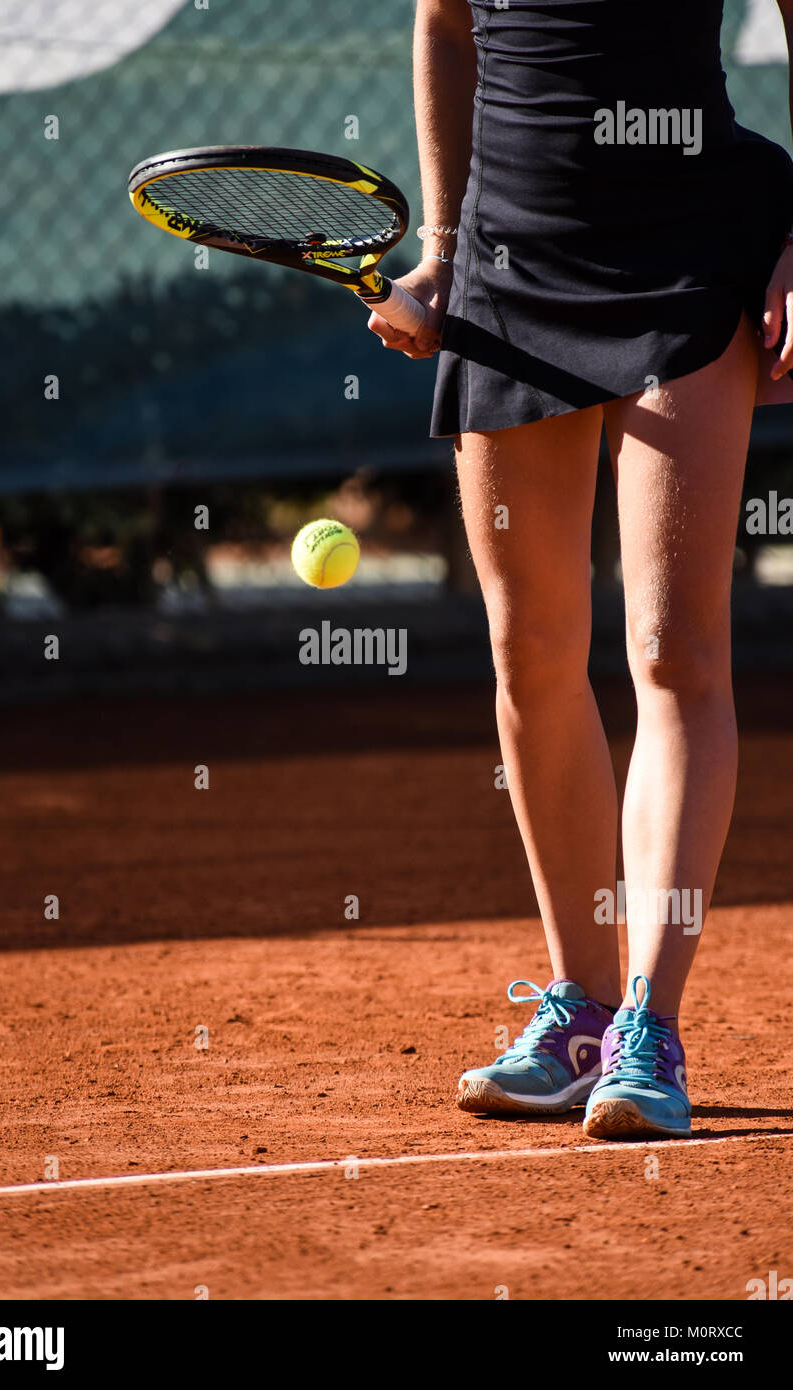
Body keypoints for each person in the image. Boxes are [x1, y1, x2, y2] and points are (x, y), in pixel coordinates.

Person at [369, 0, 793, 1140]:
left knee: (674, 648)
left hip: (690, 244)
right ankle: (580, 1013)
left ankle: (650, 1025)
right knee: (532, 650)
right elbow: (447, 26)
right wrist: (446, 255)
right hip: (510, 258)